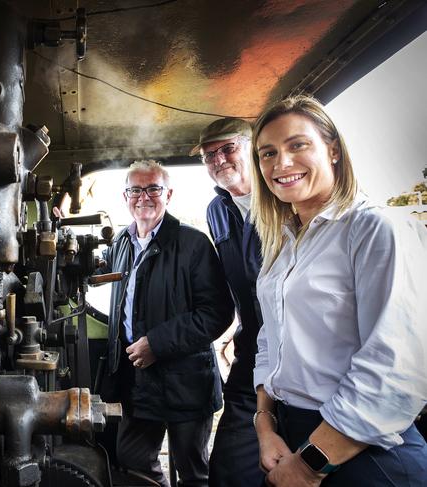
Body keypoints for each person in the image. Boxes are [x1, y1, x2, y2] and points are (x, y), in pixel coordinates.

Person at [250, 95, 427, 486]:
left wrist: (310, 464)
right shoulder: (284, 246)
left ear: (332, 150)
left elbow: (396, 367)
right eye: (268, 153)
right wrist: (266, 424)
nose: (281, 164)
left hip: (363, 452)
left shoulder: (375, 229)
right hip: (292, 431)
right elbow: (270, 340)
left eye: (298, 145)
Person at [98, 160, 234, 487]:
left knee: (193, 471)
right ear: (125, 195)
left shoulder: (194, 244)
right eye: (135, 190)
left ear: (168, 194)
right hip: (137, 380)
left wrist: (157, 344)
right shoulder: (121, 243)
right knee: (132, 462)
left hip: (186, 382)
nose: (143, 196)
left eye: (153, 188)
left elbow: (216, 312)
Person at [189, 118, 264, 487]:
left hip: (305, 354)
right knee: (230, 469)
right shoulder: (216, 211)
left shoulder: (285, 199)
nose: (218, 160)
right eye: (208, 155)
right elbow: (236, 282)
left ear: (251, 147)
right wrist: (234, 329)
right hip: (252, 351)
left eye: (227, 149)